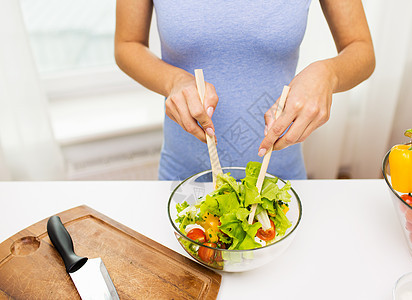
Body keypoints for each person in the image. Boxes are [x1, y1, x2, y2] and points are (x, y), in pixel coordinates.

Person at [114, 0, 375, 180]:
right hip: (185, 179)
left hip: (278, 179)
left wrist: (328, 74)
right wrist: (173, 81)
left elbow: (361, 49)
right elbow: (127, 44)